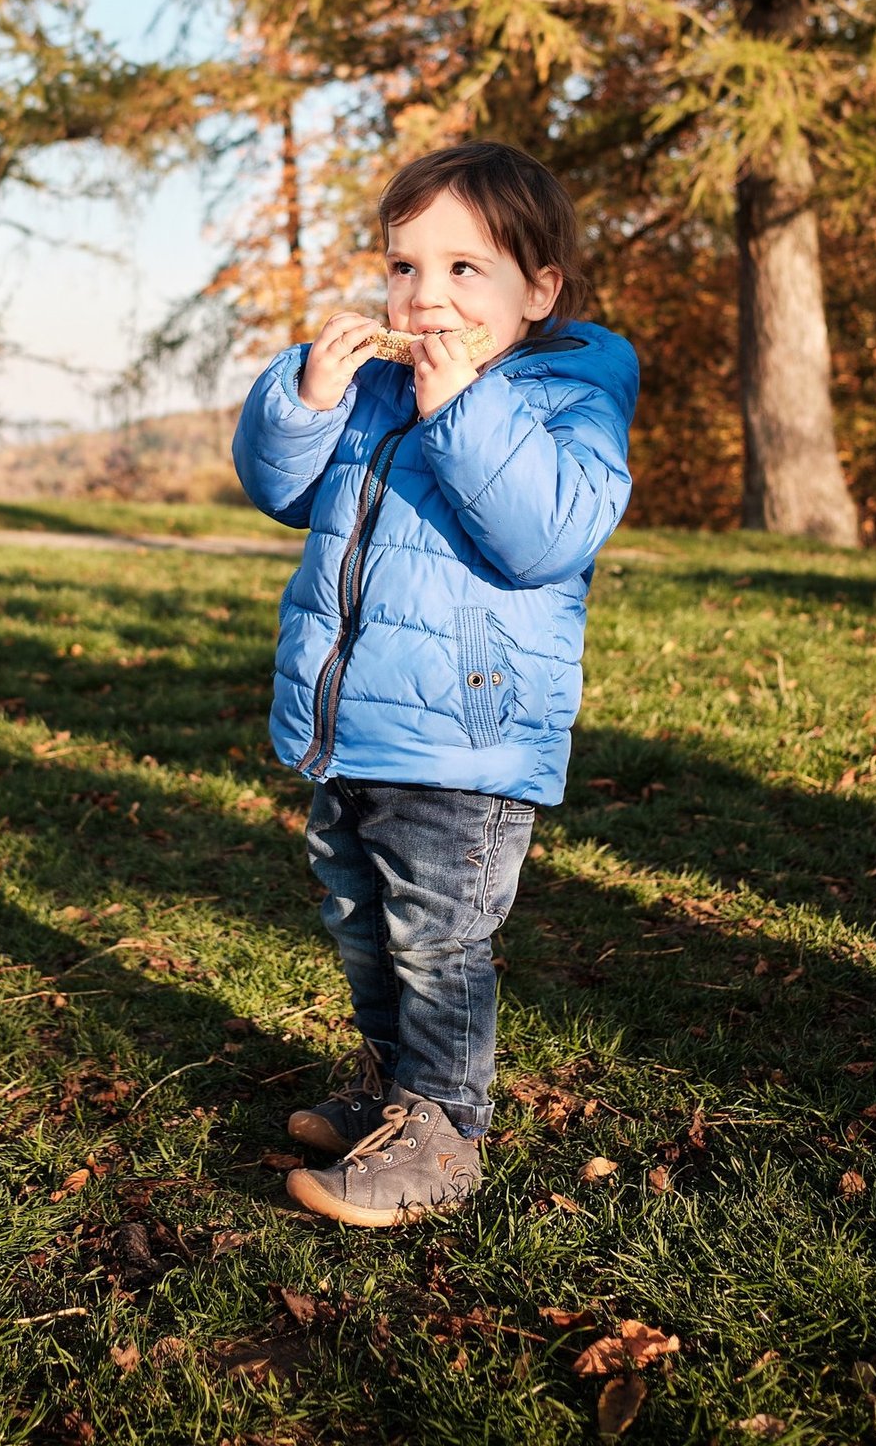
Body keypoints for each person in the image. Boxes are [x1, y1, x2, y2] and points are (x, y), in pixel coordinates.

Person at [231, 139, 639, 1227]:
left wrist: (461, 407)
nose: (428, 296)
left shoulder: (567, 393)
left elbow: (544, 535)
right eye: (406, 267)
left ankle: (445, 1128)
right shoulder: (370, 389)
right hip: (352, 722)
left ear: (538, 289)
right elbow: (278, 489)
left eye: (466, 270)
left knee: (438, 934)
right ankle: (388, 1082)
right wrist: (306, 394)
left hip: (467, 733)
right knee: (360, 917)